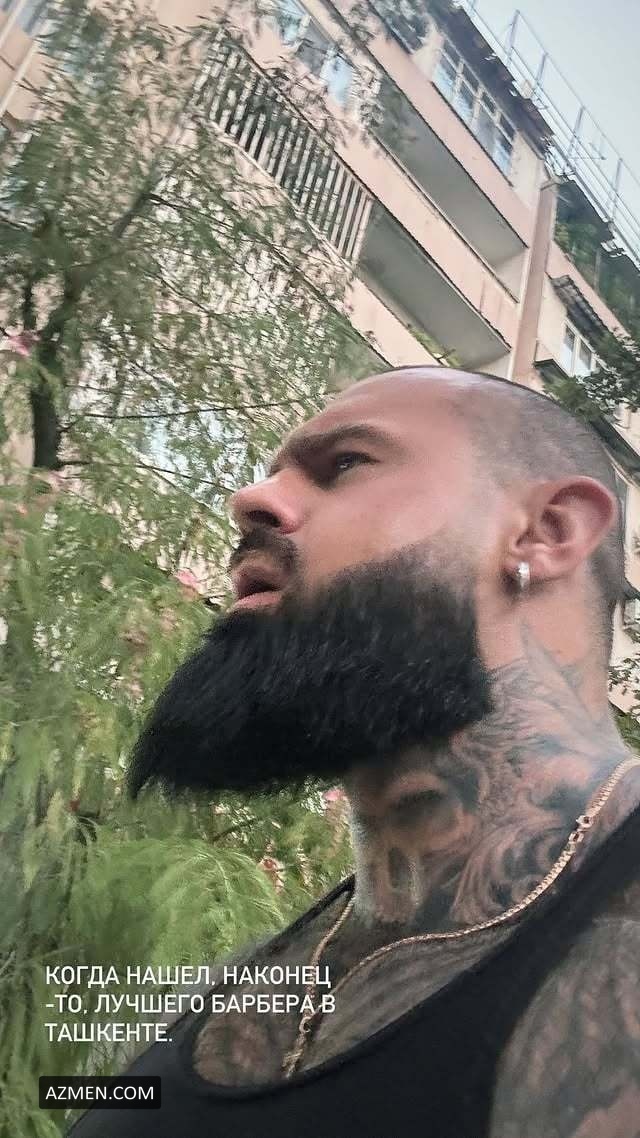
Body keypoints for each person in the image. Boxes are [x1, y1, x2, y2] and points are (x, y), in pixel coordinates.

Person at [69, 366, 640, 1137]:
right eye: (269, 473)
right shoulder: (219, 991)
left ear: (547, 533)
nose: (249, 499)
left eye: (344, 464)